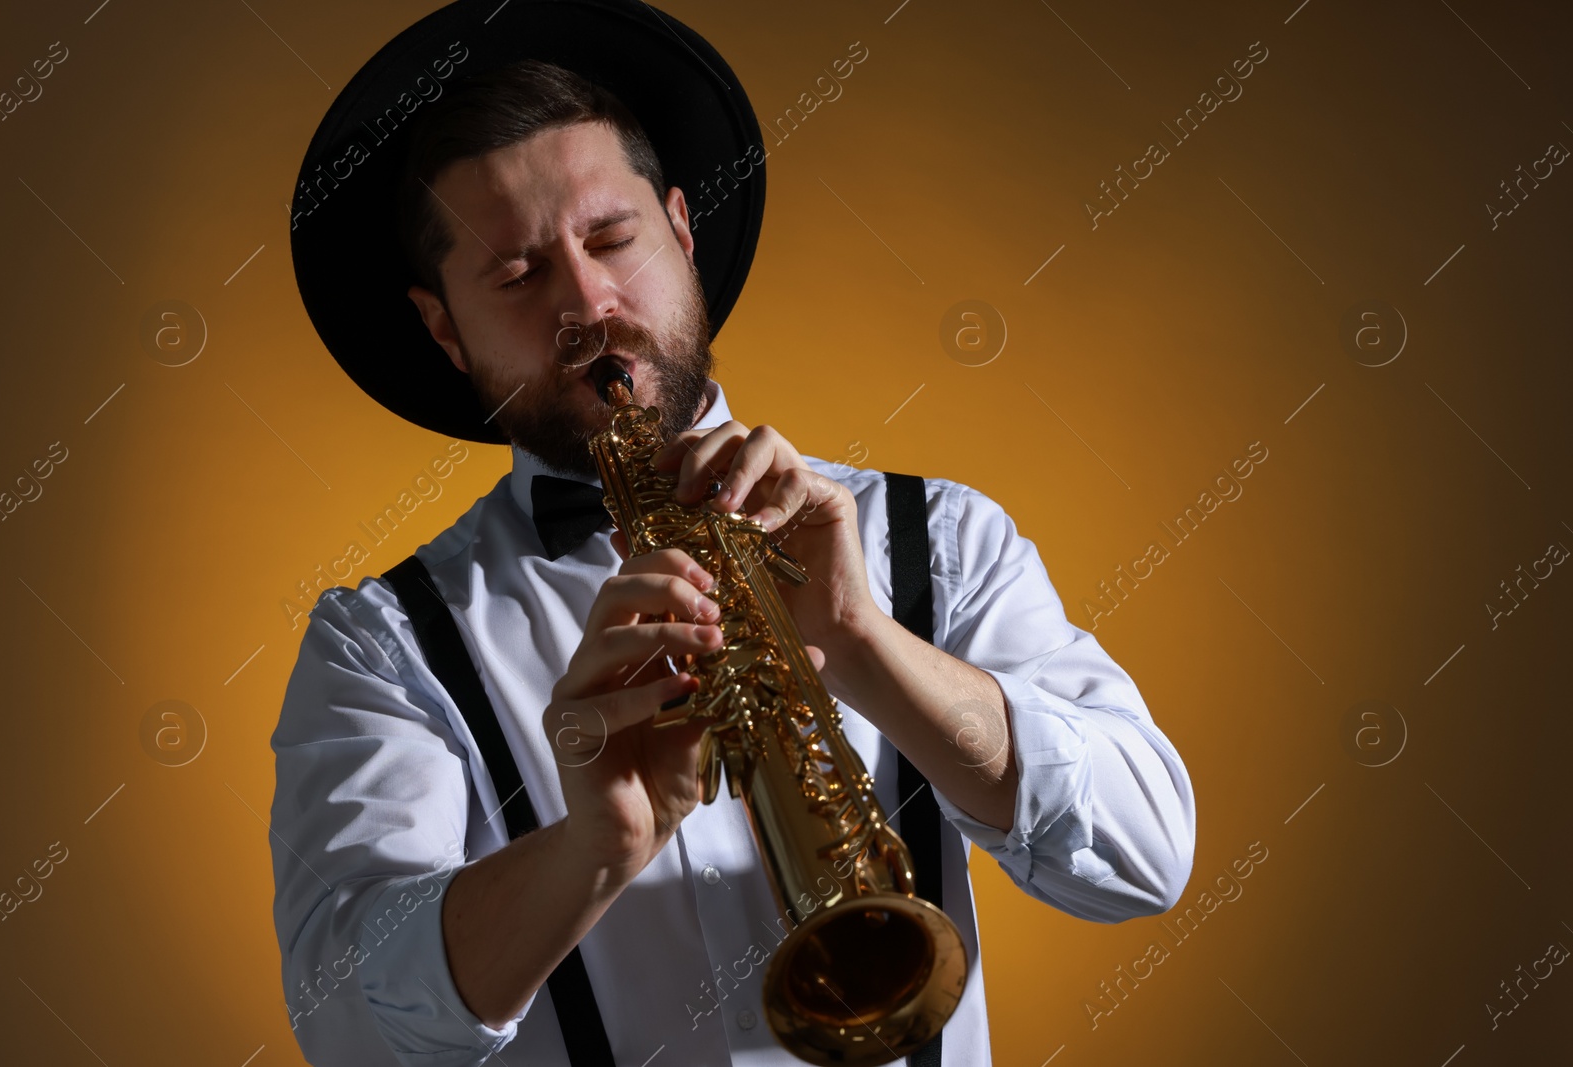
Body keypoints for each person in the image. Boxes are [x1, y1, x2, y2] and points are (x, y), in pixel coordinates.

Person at [274, 3, 1195, 1065]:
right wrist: (589, 850)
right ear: (444, 326)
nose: (587, 302)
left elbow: (1145, 856)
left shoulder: (936, 534)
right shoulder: (379, 643)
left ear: (681, 226)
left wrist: (864, 645)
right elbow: (340, 1023)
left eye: (612, 237)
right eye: (518, 275)